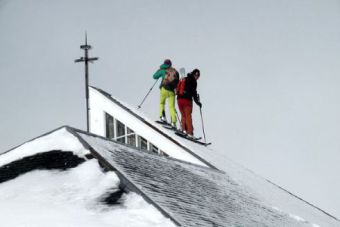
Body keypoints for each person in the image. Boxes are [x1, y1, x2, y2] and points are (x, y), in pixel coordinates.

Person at [153, 59, 179, 128]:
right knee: (172, 107)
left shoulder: (162, 70)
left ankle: (162, 117)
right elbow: (177, 82)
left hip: (164, 89)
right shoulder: (175, 72)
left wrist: (159, 70)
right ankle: (173, 122)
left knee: (162, 103)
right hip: (171, 91)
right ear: (170, 64)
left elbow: (154, 76)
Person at [177, 69, 202, 137]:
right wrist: (198, 102)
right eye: (197, 75)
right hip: (187, 100)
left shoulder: (185, 78)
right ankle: (190, 132)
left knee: (183, 115)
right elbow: (194, 93)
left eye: (198, 76)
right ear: (194, 74)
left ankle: (183, 129)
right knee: (188, 116)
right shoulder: (193, 81)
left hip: (179, 99)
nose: (197, 77)